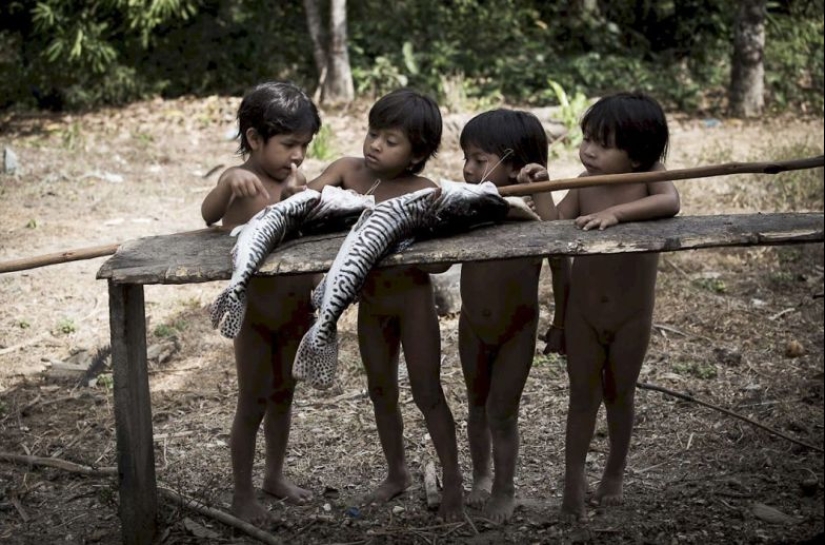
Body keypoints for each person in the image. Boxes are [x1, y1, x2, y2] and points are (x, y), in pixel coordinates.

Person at [303, 88, 464, 521]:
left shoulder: (426, 190)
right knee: (380, 391)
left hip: (412, 303)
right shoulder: (346, 172)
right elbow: (302, 207)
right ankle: (397, 474)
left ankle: (453, 480)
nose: (375, 145)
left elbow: (442, 262)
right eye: (373, 133)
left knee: (428, 392)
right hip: (371, 304)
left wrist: (426, 224)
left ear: (416, 155)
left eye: (390, 141)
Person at [519, 92, 681, 521]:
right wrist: (540, 188)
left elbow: (671, 202)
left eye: (603, 144)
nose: (588, 150)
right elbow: (553, 228)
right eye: (587, 138)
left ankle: (614, 471)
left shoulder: (650, 178)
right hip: (584, 316)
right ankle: (573, 482)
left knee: (620, 395)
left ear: (637, 156)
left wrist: (619, 215)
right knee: (581, 398)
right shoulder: (583, 185)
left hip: (632, 318)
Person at [200, 80, 322, 525]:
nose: (298, 155)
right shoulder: (241, 184)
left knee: (284, 395)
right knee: (253, 401)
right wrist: (228, 181)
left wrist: (301, 196)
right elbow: (208, 215)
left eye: (305, 145)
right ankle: (242, 493)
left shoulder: (297, 181)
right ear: (254, 139)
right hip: (255, 316)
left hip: (297, 311)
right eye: (289, 144)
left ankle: (274, 476)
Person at [457, 109, 561, 523]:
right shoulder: (472, 204)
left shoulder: (534, 207)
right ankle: (481, 476)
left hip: (517, 328)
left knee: (502, 411)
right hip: (471, 325)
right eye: (465, 157)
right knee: (476, 405)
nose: (467, 169)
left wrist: (544, 188)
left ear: (515, 163)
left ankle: (505, 489)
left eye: (479, 160)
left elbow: (556, 243)